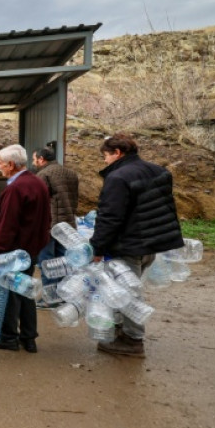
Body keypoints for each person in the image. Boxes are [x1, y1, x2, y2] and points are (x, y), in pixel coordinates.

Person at [89, 133, 183, 357]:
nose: (105, 161)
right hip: (152, 243)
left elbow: (110, 217)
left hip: (129, 244)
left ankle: (132, 340)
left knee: (128, 293)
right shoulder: (158, 171)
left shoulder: (118, 177)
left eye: (106, 156)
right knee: (128, 288)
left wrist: (97, 247)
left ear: (117, 153)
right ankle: (123, 330)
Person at [0, 144, 50, 354]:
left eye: (1, 163)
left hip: (13, 253)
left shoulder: (15, 188)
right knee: (25, 291)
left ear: (11, 165)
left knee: (9, 293)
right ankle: (29, 338)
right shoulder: (37, 182)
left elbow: (6, 225)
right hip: (30, 250)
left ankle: (8, 337)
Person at [32, 146, 79, 307]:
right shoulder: (71, 173)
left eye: (34, 159)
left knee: (47, 261)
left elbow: (39, 202)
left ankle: (50, 298)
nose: (34, 162)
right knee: (63, 261)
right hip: (68, 224)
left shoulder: (43, 174)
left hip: (50, 225)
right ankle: (62, 294)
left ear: (41, 159)